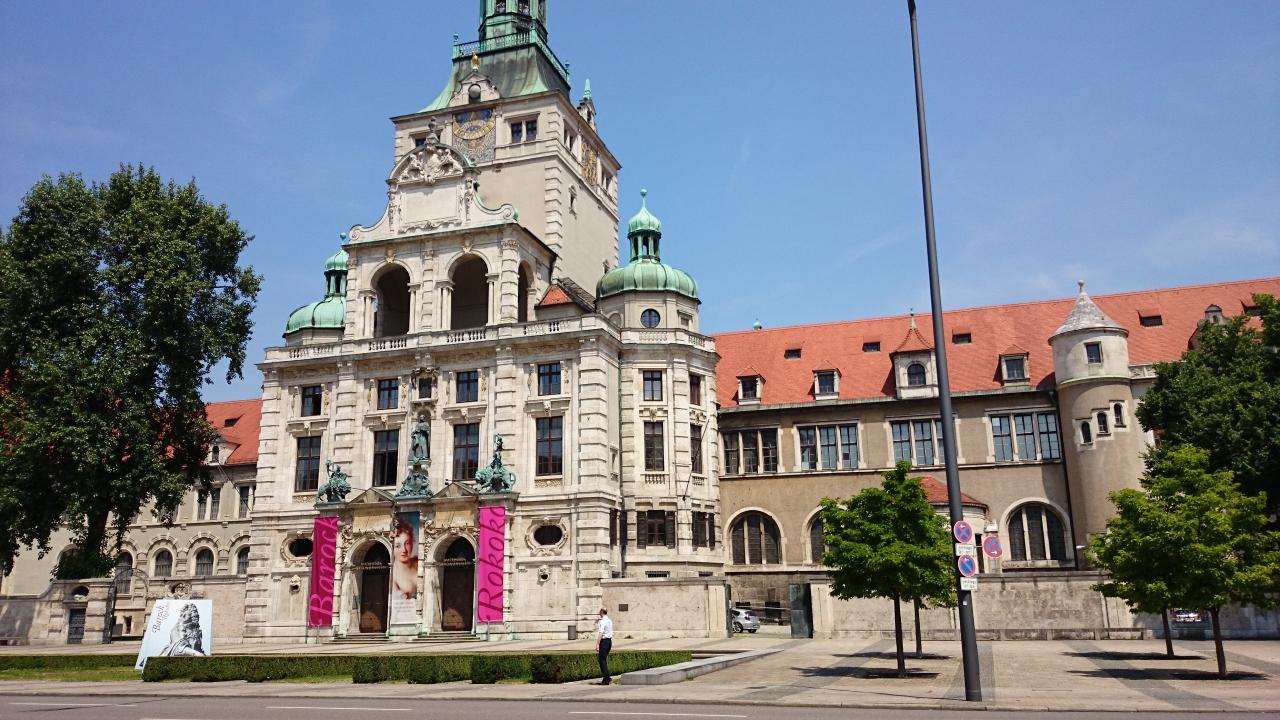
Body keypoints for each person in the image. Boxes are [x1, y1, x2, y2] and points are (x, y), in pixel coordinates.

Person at [392, 518, 419, 599]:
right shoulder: (392, 574)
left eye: (407, 543)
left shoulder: (418, 562)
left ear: (412, 542)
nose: (404, 550)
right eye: (398, 546)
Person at [595, 607, 614, 685]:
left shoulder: (602, 621)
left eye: (600, 611)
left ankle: (606, 679)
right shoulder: (609, 620)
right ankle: (607, 678)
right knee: (603, 660)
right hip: (609, 642)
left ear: (602, 612)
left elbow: (601, 633)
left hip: (604, 642)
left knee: (602, 660)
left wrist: (597, 644)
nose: (599, 613)